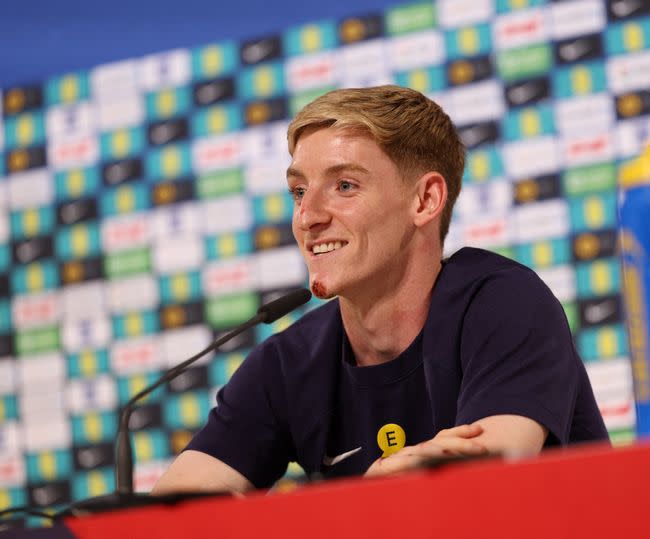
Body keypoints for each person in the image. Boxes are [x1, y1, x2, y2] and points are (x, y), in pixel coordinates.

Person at [152, 85, 608, 494]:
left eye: (344, 185)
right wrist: (368, 498)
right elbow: (171, 520)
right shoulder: (288, 363)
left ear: (425, 200)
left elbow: (479, 491)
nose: (308, 216)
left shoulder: (503, 302)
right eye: (298, 191)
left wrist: (358, 504)